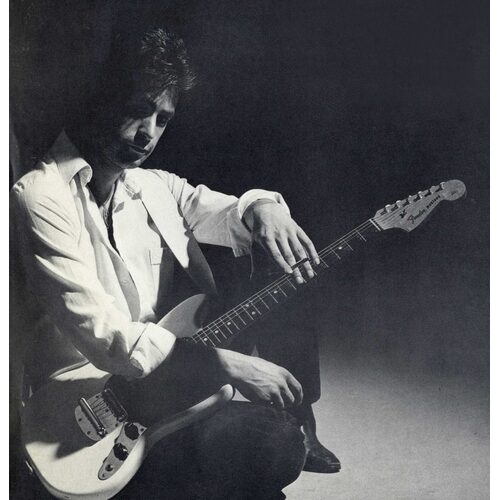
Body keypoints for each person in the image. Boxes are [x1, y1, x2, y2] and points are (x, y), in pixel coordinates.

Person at [11, 26, 339, 499]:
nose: (148, 134)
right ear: (100, 100)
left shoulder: (150, 185)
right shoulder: (40, 196)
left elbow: (224, 211)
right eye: (138, 110)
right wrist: (227, 365)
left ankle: (289, 423)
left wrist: (263, 207)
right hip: (79, 401)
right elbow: (106, 337)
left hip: (170, 382)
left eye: (162, 119)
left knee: (278, 445)